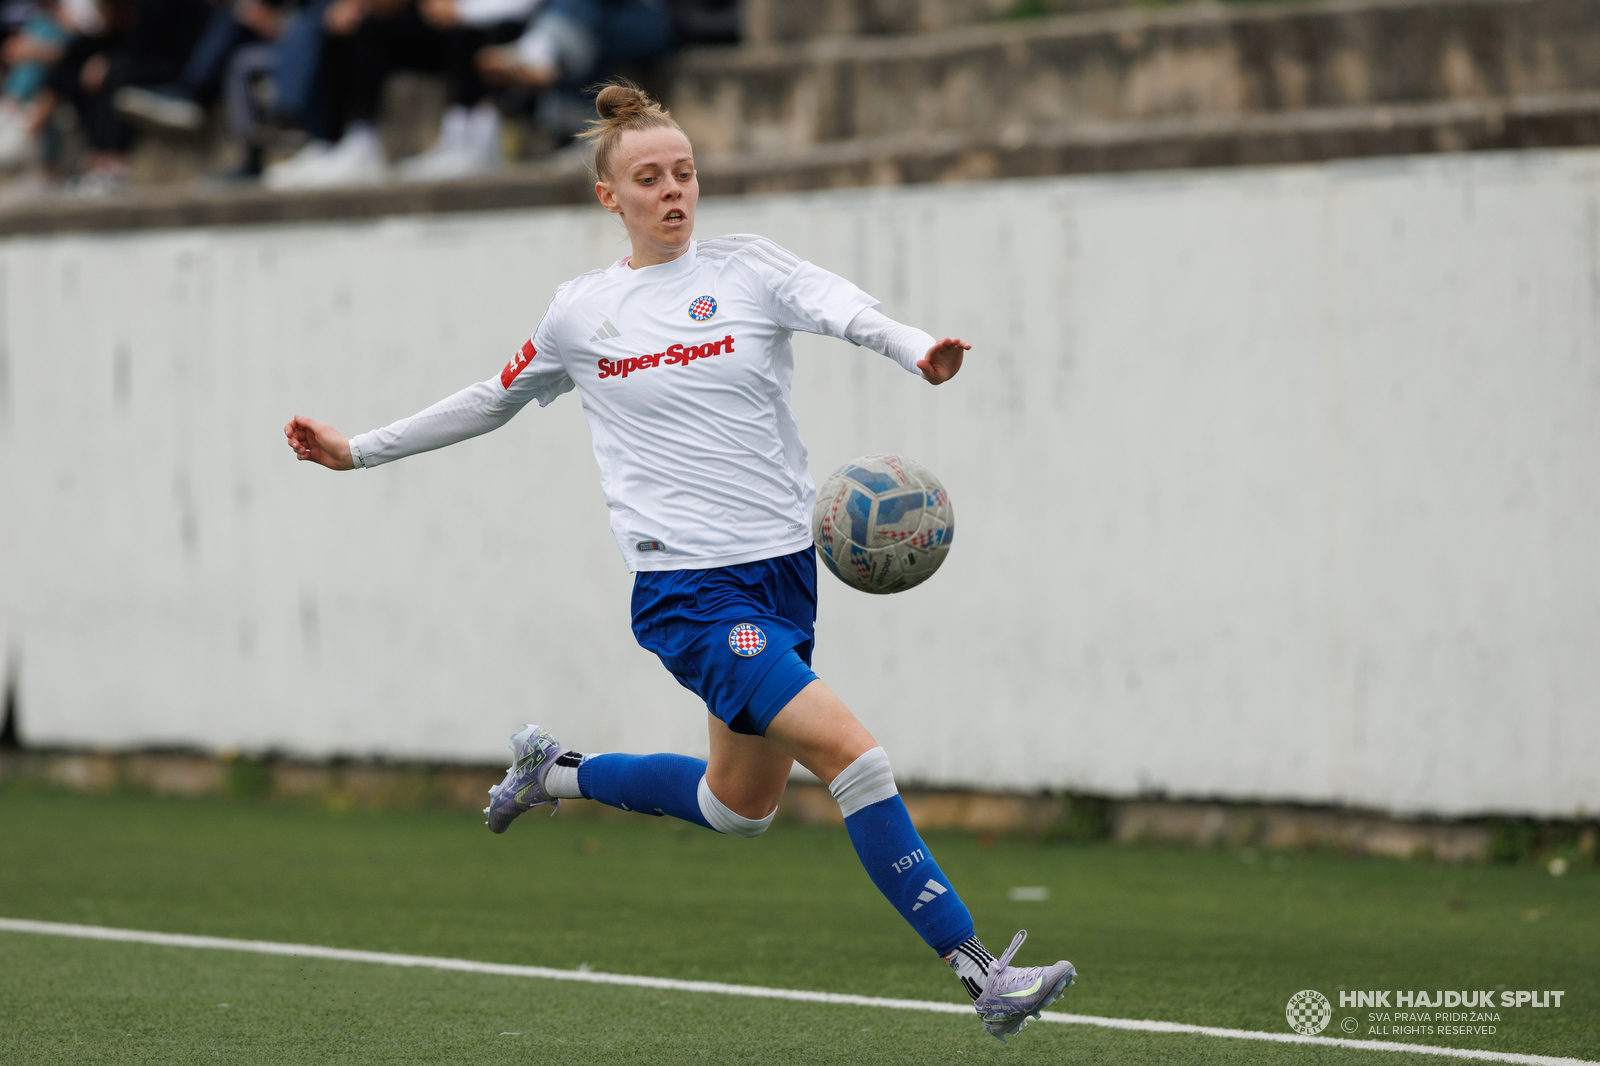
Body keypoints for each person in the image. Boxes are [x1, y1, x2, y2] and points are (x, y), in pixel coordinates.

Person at [282, 80, 1073, 1043]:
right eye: (649, 177)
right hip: (690, 594)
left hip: (783, 577)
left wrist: (917, 351)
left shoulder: (747, 272)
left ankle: (553, 772)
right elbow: (488, 398)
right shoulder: (582, 313)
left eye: (686, 174)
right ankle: (980, 971)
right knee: (853, 754)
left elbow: (840, 307)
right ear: (609, 197)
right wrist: (355, 448)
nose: (674, 191)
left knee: (737, 807)